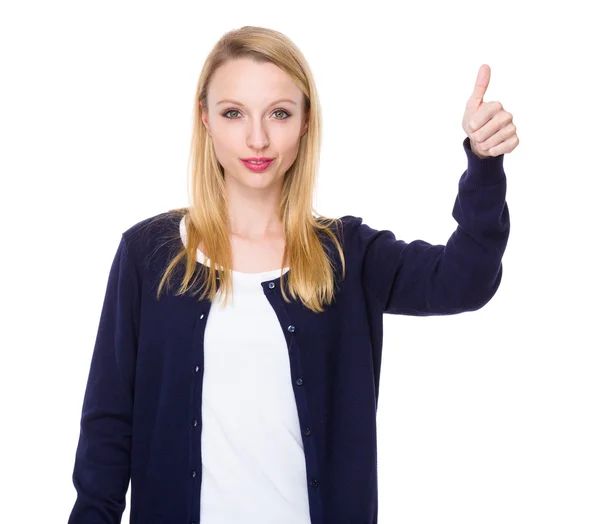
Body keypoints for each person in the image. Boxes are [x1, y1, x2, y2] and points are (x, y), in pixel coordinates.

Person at [67, 26, 517, 524]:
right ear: (205, 119)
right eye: (233, 113)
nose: (257, 138)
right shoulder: (149, 255)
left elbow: (466, 279)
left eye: (279, 113)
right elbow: (108, 432)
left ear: (305, 122)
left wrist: (483, 165)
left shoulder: (347, 256)